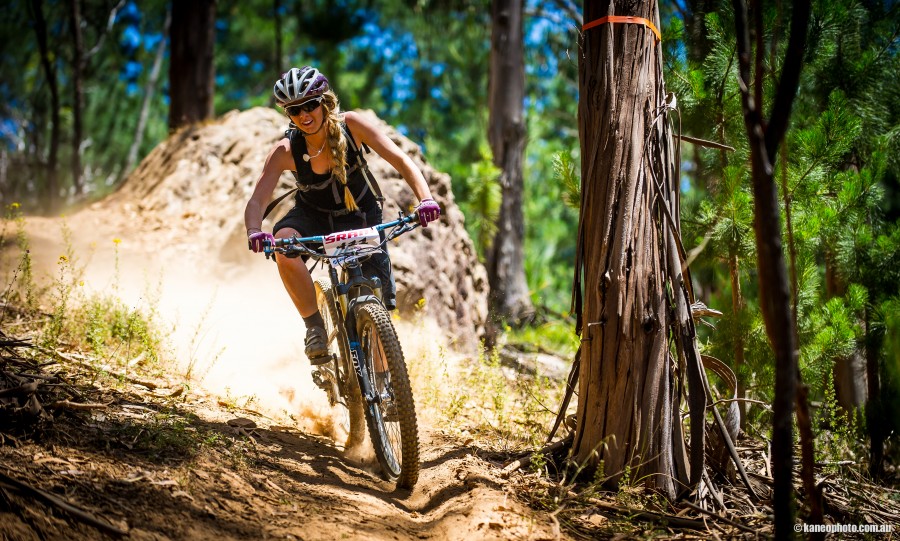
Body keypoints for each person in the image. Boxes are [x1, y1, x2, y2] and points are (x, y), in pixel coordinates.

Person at [244, 66, 441, 363]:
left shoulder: (352, 126)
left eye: (310, 105)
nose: (304, 115)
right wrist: (254, 231)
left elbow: (401, 160)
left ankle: (384, 383)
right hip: (313, 217)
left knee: (378, 310)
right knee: (283, 244)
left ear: (324, 102)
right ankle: (314, 327)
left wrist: (425, 199)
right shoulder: (286, 150)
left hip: (360, 215)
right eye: (295, 110)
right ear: (288, 115)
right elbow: (257, 201)